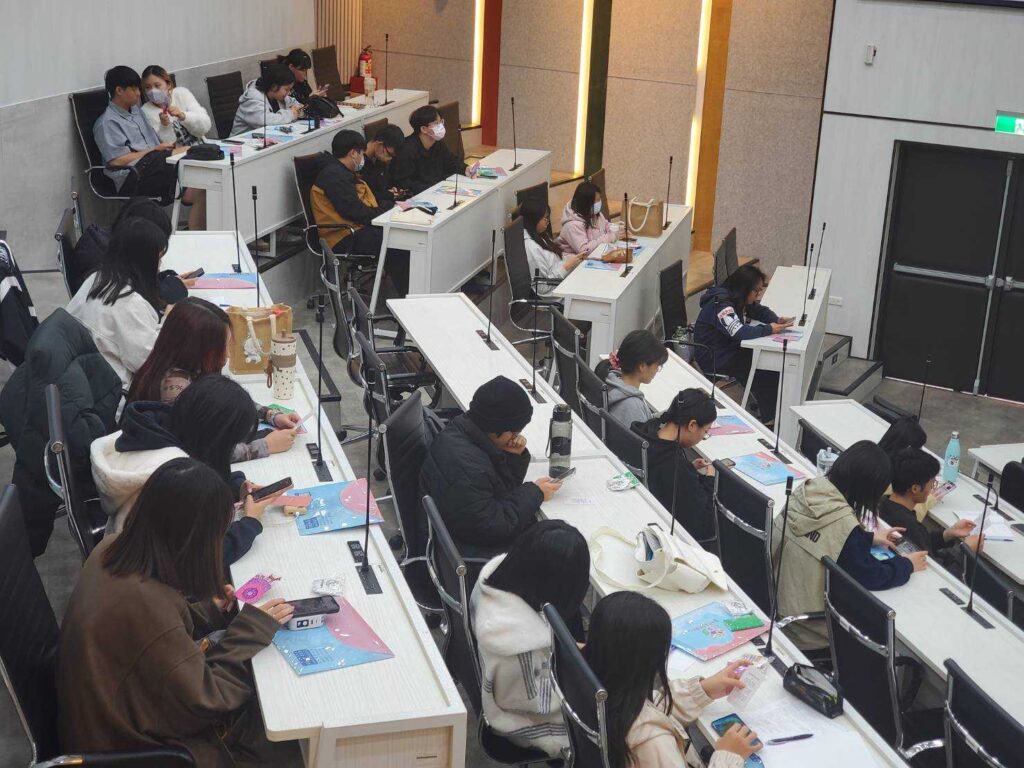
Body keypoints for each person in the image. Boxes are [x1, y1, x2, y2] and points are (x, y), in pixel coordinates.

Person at [58, 458, 301, 766]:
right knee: (287, 727)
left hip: (101, 718)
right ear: (195, 538)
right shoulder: (146, 608)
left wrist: (207, 609)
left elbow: (156, 633)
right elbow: (208, 700)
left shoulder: (110, 547)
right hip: (138, 749)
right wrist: (252, 628)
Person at [91, 375, 288, 567]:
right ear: (216, 438)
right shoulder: (177, 478)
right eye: (230, 443)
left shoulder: (157, 429)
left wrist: (237, 486)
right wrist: (250, 522)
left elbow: (207, 462)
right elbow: (203, 561)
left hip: (125, 556)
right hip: (150, 576)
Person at [774, 441, 928, 650]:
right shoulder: (845, 525)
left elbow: (823, 534)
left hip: (779, 600)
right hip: (810, 629)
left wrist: (866, 537)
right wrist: (907, 565)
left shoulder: (810, 489)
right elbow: (870, 575)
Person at [583, 592, 760, 768]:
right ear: (649, 662)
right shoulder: (654, 743)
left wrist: (701, 691)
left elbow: (642, 708)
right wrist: (728, 756)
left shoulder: (590, 680)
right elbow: (646, 724)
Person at [470, 521, 591, 759]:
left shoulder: (496, 582)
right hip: (524, 723)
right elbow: (543, 706)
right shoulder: (518, 647)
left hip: (509, 691)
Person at [127, 297, 301, 460]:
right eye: (223, 347)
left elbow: (226, 400)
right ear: (199, 348)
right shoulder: (175, 390)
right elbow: (197, 453)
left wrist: (271, 415)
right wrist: (265, 446)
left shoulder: (188, 367)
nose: (227, 355)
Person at [420, 375, 562, 560]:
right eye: (514, 432)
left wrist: (512, 457)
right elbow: (495, 526)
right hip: (474, 556)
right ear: (497, 429)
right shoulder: (469, 467)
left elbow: (499, 489)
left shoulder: (461, 432)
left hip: (458, 535)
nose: (515, 437)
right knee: (558, 549)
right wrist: (535, 492)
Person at [67, 217, 167, 389]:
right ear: (144, 262)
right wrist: (170, 321)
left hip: (85, 380)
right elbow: (152, 363)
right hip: (113, 394)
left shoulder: (97, 278)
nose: (159, 266)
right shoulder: (127, 304)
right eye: (157, 259)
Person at [311, 129, 409, 294]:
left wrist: (385, 208)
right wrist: (383, 211)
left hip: (355, 228)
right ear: (353, 153)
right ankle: (407, 296)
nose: (363, 158)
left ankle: (408, 292)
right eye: (361, 153)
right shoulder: (334, 176)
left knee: (400, 235)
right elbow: (354, 212)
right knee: (396, 242)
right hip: (343, 236)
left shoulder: (341, 172)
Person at [693, 264, 793, 424]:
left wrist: (776, 319)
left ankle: (771, 411)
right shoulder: (721, 306)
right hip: (715, 357)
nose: (758, 294)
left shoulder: (736, 297)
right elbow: (740, 332)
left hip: (727, 349)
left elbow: (757, 309)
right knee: (763, 369)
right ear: (745, 288)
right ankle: (770, 420)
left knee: (767, 364)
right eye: (756, 291)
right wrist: (768, 329)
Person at [633, 389, 718, 542]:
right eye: (705, 432)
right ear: (692, 425)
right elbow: (703, 525)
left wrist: (690, 469)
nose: (702, 437)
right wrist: (710, 479)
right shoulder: (676, 467)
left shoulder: (644, 430)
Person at [880, 448, 978, 556]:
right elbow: (929, 562)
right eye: (932, 483)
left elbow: (920, 543)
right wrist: (967, 551)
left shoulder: (881, 504)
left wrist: (948, 533)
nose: (933, 487)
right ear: (915, 489)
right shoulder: (910, 527)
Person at [595, 329, 668, 428]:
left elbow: (644, 420)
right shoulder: (632, 405)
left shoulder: (610, 380)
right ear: (642, 366)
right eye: (657, 366)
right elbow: (642, 432)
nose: (657, 370)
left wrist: (668, 415)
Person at [389, 104, 465, 196]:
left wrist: (466, 169)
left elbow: (451, 161)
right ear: (424, 129)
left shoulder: (438, 143)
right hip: (419, 195)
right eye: (436, 123)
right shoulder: (407, 150)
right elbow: (404, 182)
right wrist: (433, 188)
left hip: (438, 190)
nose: (441, 126)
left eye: (441, 122)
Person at [520, 198, 586, 295]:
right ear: (534, 219)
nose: (548, 222)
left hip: (562, 281)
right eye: (545, 218)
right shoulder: (531, 247)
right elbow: (541, 287)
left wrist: (574, 259)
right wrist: (566, 267)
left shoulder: (540, 235)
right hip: (555, 291)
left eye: (548, 218)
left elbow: (555, 260)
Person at [878, 416, 937, 522]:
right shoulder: (888, 479)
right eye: (918, 449)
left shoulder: (875, 458)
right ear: (908, 449)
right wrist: (928, 499)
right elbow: (902, 519)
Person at [140, 65, 212, 146]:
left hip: (202, 147)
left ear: (168, 85)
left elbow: (205, 126)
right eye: (148, 87)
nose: (153, 91)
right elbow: (165, 145)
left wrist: (183, 116)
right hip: (177, 153)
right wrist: (164, 126)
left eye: (157, 85)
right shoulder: (145, 110)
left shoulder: (182, 94)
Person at [232, 62, 302, 135]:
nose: (289, 93)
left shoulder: (278, 95)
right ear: (274, 86)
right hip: (243, 140)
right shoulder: (252, 98)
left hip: (268, 137)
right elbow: (265, 122)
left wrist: (300, 110)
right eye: (286, 89)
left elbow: (296, 106)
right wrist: (291, 114)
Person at [557, 181, 623, 256]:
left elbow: (606, 225)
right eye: (596, 201)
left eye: (599, 199)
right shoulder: (572, 225)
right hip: (576, 261)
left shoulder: (595, 214)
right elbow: (584, 251)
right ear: (586, 203)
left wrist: (617, 229)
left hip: (597, 255)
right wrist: (609, 237)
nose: (599, 203)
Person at [361, 123, 406, 204]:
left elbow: (384, 185)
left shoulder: (379, 159)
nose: (390, 158)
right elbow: (369, 194)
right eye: (389, 154)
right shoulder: (360, 164)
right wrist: (389, 195)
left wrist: (393, 190)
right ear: (380, 144)